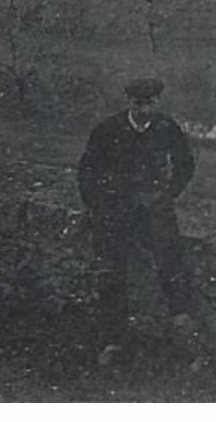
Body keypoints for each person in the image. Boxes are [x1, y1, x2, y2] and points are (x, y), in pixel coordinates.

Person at [77, 75, 197, 366]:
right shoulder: (108, 129)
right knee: (112, 275)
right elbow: (87, 171)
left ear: (157, 102)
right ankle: (112, 340)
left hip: (155, 213)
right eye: (138, 104)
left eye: (150, 104)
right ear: (129, 102)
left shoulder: (167, 128)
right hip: (116, 213)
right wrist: (99, 206)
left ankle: (184, 343)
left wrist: (167, 194)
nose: (144, 110)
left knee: (172, 269)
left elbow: (185, 164)